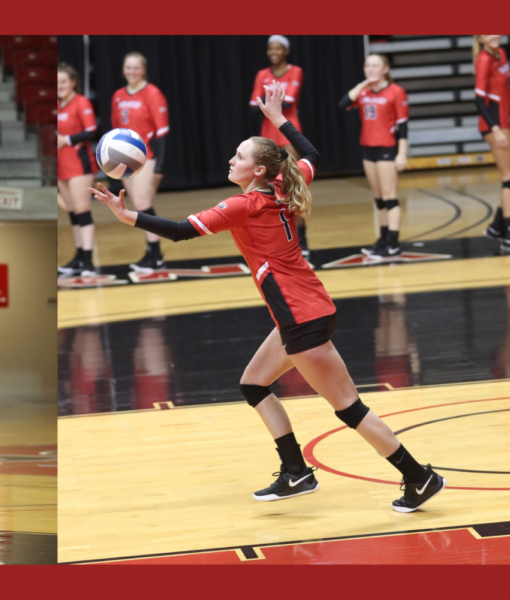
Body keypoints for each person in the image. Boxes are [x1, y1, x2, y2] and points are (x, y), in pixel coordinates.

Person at [91, 82, 445, 513]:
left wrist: (127, 215)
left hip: (301, 319)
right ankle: (295, 471)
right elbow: (311, 156)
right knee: (253, 384)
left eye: (238, 156)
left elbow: (182, 231)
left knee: (350, 409)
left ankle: (418, 476)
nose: (230, 160)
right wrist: (279, 120)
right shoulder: (283, 183)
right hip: (305, 311)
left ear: (258, 170)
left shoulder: (243, 206)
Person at [339, 54, 409, 259]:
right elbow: (342, 104)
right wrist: (363, 84)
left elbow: (403, 127)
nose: (370, 69)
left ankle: (394, 243)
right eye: (367, 66)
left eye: (375, 66)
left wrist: (402, 154)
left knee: (389, 197)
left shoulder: (396, 92)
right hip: (368, 149)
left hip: (387, 149)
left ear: (385, 69)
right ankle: (383, 239)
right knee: (378, 198)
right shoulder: (363, 92)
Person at [251, 36, 309, 257]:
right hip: (267, 137)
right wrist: (271, 102)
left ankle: (302, 241)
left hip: (288, 134)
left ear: (286, 51)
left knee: (293, 186)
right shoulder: (261, 74)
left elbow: (287, 103)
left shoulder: (295, 71)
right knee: (267, 190)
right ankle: (275, 240)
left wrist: (267, 102)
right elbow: (253, 107)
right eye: (270, 48)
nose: (273, 52)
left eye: (278, 48)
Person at [111, 51, 169, 272]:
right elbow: (115, 131)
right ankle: (151, 252)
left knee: (144, 205)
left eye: (136, 68)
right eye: (128, 68)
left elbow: (162, 133)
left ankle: (156, 255)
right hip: (123, 158)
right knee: (138, 206)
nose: (132, 72)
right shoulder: (117, 95)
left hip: (147, 157)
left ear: (143, 69)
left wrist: (160, 168)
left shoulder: (153, 93)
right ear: (123, 70)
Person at [57, 62, 98, 277]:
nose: (60, 86)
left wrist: (67, 139)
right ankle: (80, 257)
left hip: (79, 165)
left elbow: (92, 131)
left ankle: (88, 262)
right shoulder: (59, 105)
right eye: (57, 83)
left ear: (73, 83)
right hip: (61, 166)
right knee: (72, 213)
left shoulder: (81, 102)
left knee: (82, 212)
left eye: (63, 81)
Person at [474, 35, 510, 254]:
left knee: (509, 177)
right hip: (494, 125)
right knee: (508, 178)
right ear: (480, 38)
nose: (493, 36)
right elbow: (478, 100)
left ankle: (497, 227)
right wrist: (495, 129)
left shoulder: (502, 54)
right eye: (487, 33)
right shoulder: (484, 60)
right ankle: (507, 235)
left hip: (505, 122)